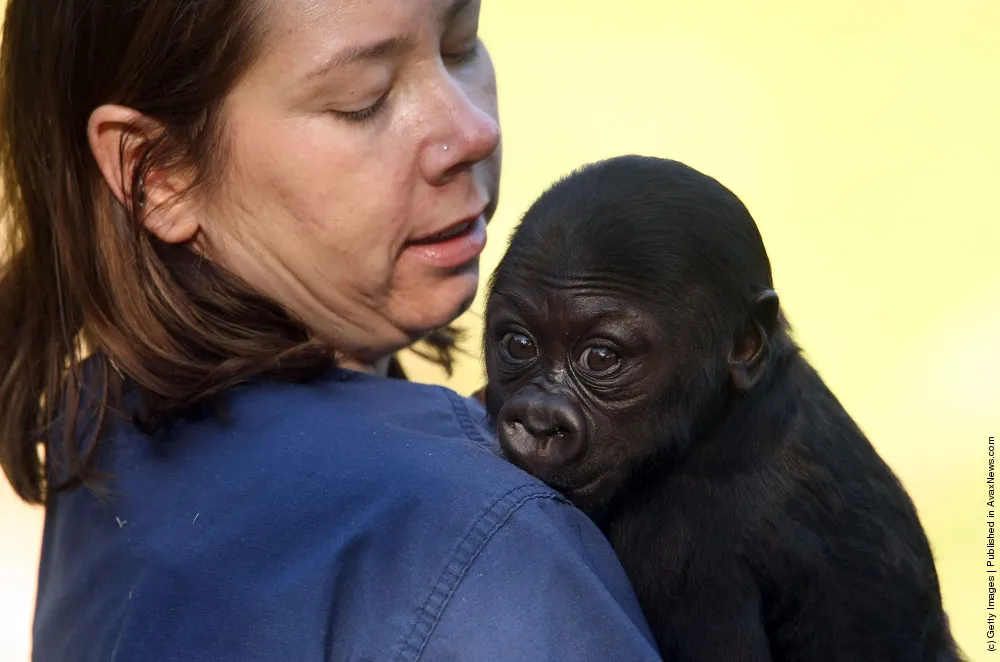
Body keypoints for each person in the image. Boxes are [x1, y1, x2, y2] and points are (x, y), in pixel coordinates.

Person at [0, 1, 662, 660]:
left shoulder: (99, 437)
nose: (473, 129)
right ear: (161, 173)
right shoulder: (480, 543)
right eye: (363, 101)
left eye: (460, 43)